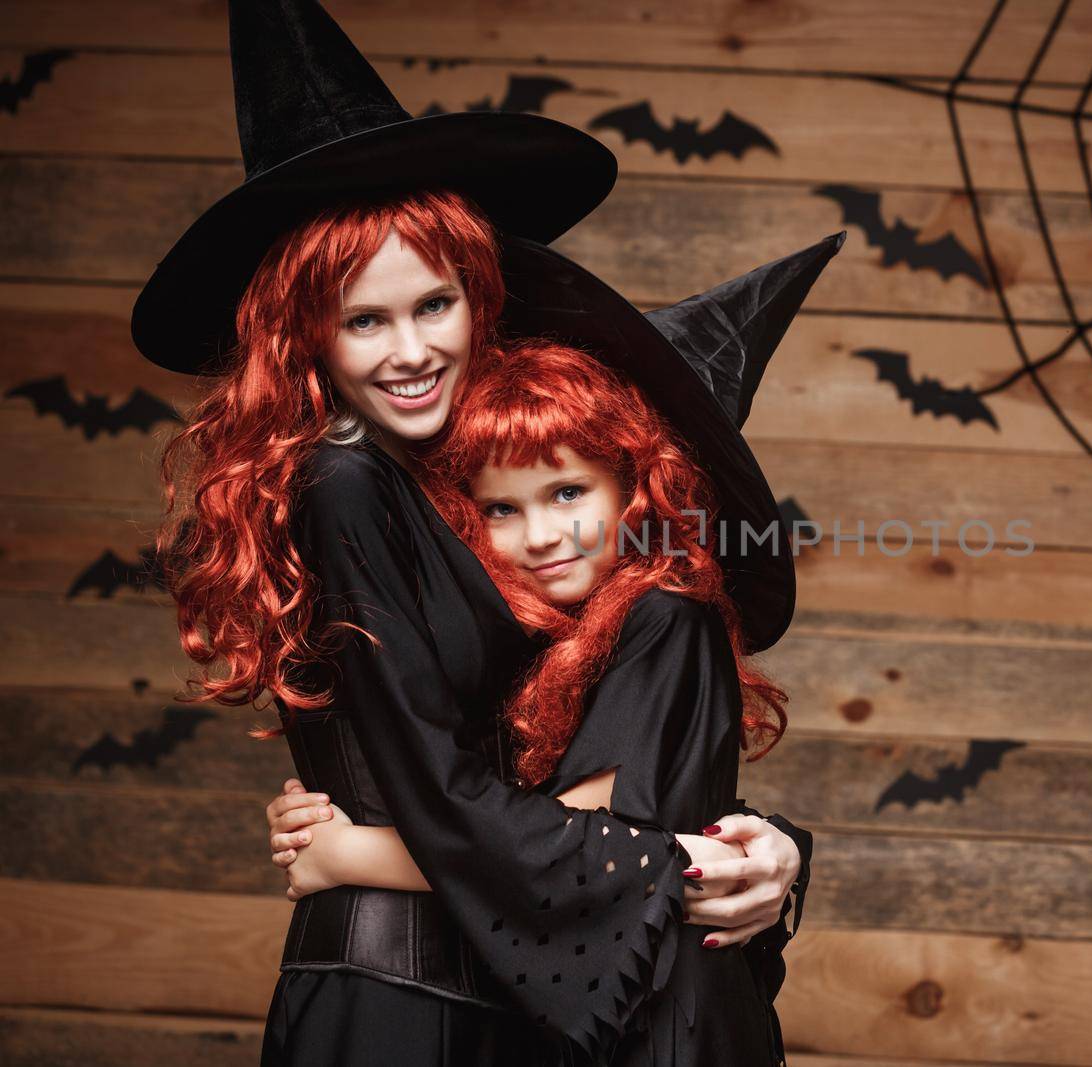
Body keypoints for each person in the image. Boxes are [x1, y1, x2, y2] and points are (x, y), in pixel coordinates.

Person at [131, 1, 842, 1062]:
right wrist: (352, 854)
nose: (410, 350)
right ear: (302, 332)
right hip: (398, 992)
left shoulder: (478, 491)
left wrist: (767, 849)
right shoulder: (344, 481)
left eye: (436, 305)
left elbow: (585, 773)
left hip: (499, 1001)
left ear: (481, 297)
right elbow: (451, 791)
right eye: (364, 320)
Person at [268, 338, 801, 1064]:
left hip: (671, 1027)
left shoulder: (668, 615)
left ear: (632, 488)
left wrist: (345, 853)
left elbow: (568, 850)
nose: (542, 535)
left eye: (568, 492)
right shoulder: (558, 638)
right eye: (500, 509)